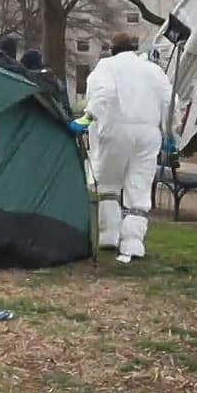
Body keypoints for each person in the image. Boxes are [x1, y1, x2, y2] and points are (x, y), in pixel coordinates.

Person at [69, 33, 173, 263]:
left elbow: (103, 93)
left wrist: (87, 118)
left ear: (112, 49)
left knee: (109, 184)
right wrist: (169, 131)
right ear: (134, 48)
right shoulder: (152, 70)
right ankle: (133, 243)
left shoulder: (106, 67)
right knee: (139, 186)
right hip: (148, 133)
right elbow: (169, 100)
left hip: (115, 129)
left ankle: (109, 235)